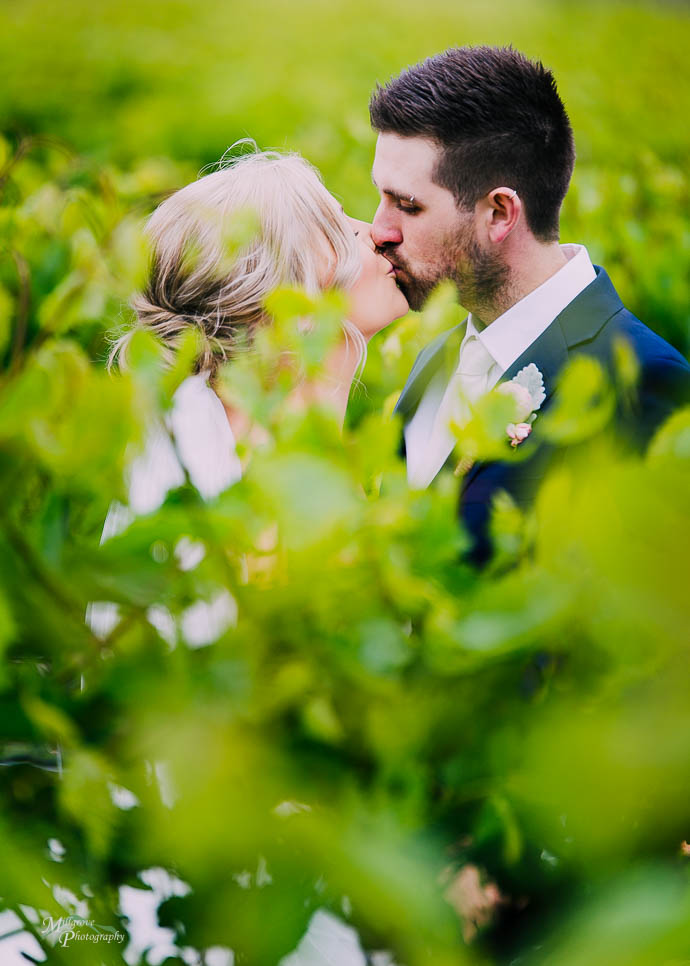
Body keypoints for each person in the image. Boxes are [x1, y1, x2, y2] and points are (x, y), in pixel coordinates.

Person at [368, 46, 690, 563]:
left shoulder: (646, 384)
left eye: (408, 205)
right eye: (381, 197)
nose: (380, 231)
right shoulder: (437, 357)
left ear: (499, 213)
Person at [88, 146, 408, 641]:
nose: (376, 234)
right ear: (277, 293)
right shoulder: (212, 473)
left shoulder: (329, 452)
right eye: (343, 230)